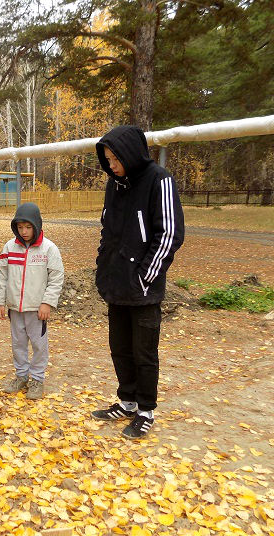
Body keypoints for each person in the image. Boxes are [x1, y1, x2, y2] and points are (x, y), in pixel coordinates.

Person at [90, 125, 185, 439]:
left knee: (144, 352)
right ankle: (127, 401)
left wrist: (145, 276)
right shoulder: (113, 185)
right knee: (120, 348)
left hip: (143, 290)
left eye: (115, 158)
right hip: (116, 285)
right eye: (107, 160)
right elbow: (108, 230)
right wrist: (103, 269)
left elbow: (169, 234)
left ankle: (146, 410)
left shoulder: (160, 180)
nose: (112, 165)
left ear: (129, 153)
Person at [0, 202, 64, 400]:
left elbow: (56, 277)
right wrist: (0, 301)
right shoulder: (9, 247)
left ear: (37, 225)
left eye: (28, 227)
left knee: (39, 345)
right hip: (15, 307)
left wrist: (47, 303)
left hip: (37, 309)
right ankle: (21, 376)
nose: (23, 232)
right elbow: (1, 275)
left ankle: (37, 379)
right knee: (18, 343)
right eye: (20, 227)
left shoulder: (49, 248)